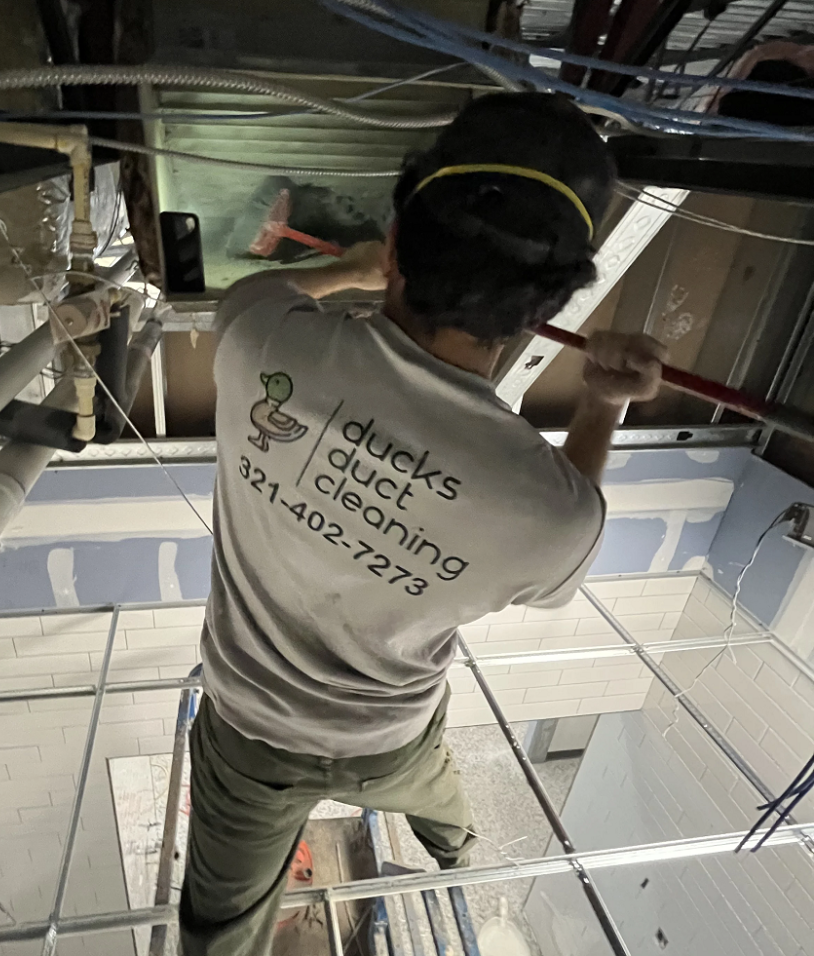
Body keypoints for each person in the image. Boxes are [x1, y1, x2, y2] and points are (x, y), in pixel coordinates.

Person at [179, 92, 666, 956]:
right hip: (392, 738)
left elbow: (266, 287)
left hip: (250, 738)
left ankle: (446, 844)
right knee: (443, 805)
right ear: (541, 306)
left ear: (398, 242)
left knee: (217, 930)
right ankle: (458, 852)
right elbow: (570, 518)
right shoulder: (545, 516)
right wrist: (600, 403)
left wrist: (350, 271)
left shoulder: (262, 344)